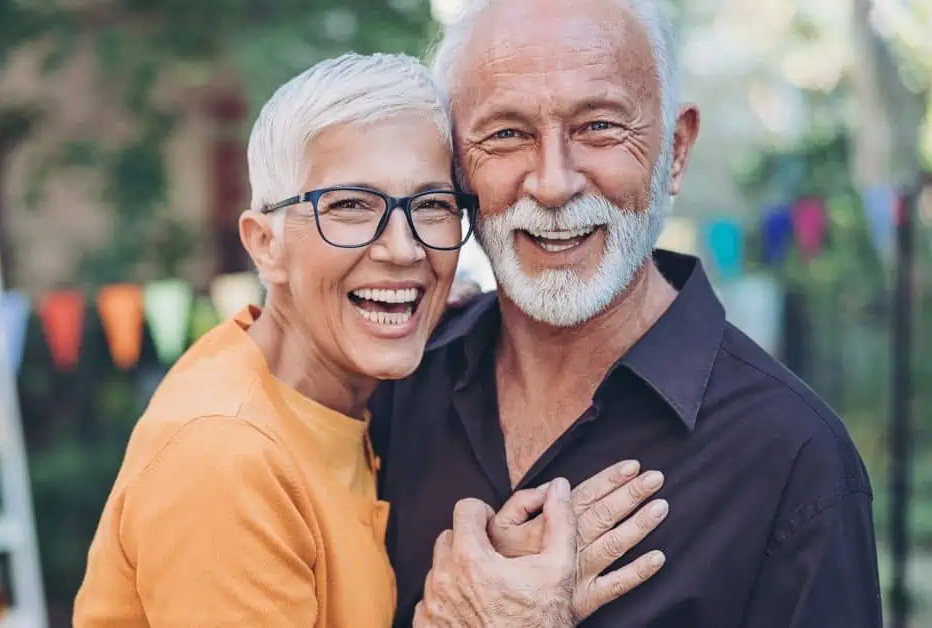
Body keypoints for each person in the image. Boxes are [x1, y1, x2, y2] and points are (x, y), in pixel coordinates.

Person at [73, 52, 668, 627]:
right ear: (265, 245)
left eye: (432, 206)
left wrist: (490, 569)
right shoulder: (227, 458)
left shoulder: (335, 402)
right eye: (351, 206)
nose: (403, 250)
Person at [369, 0, 885, 626]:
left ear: (676, 150)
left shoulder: (792, 458)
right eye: (506, 133)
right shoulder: (393, 386)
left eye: (599, 127)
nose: (553, 183)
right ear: (455, 166)